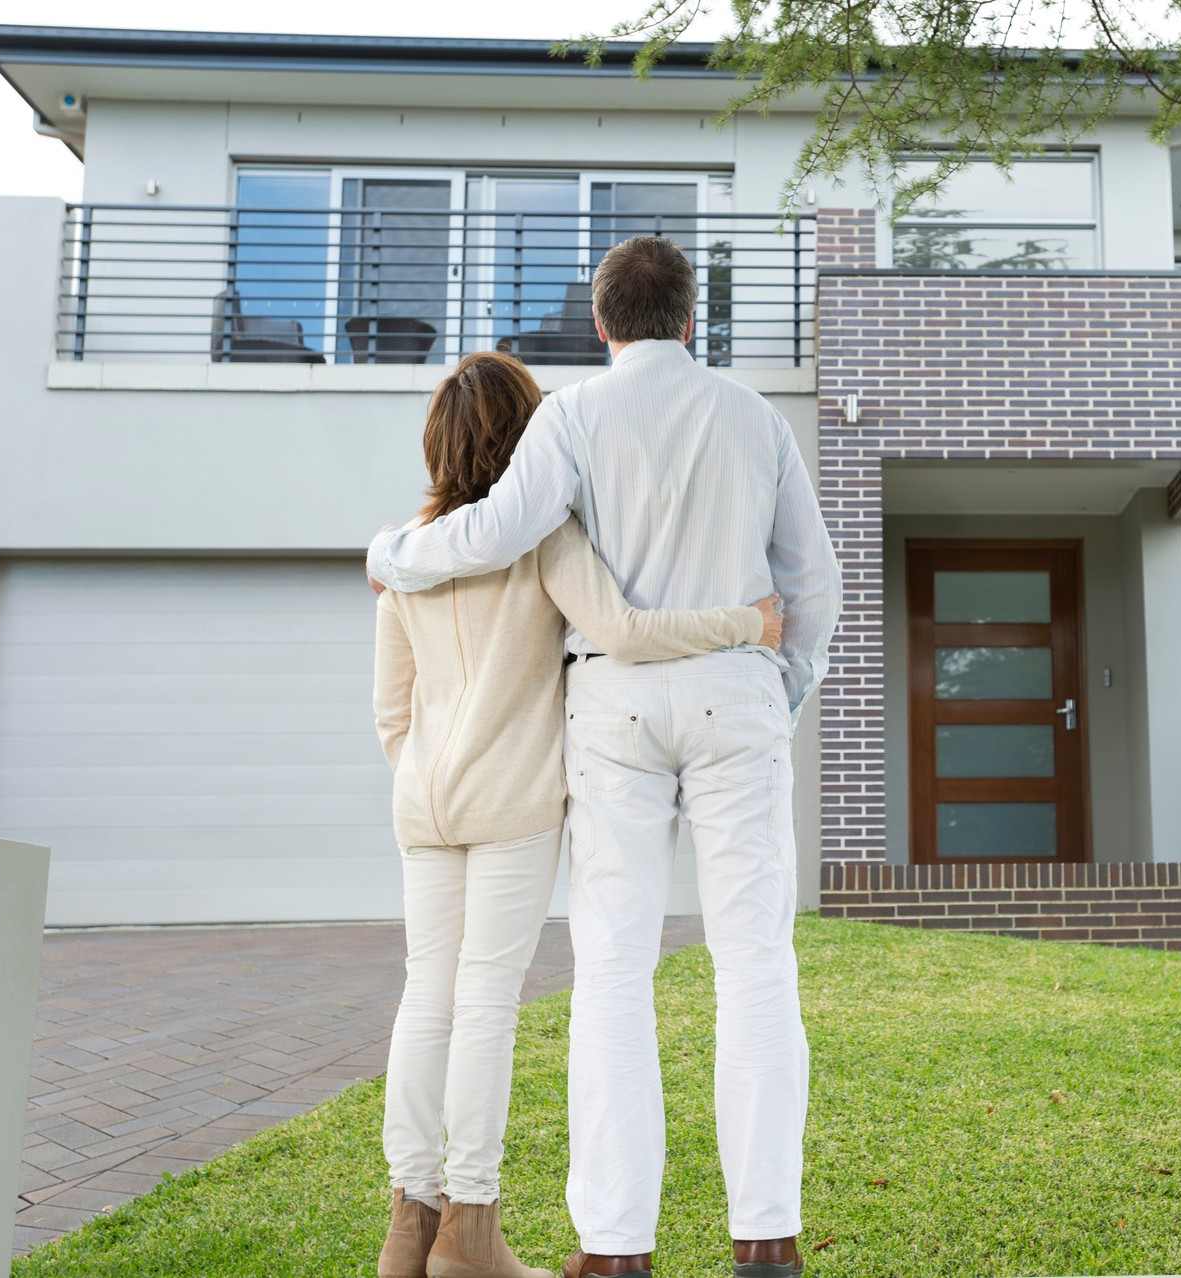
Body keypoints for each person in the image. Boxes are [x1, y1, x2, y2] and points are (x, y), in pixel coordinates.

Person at [369, 235, 841, 1278]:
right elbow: (815, 583)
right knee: (756, 962)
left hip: (616, 711)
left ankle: (615, 1250)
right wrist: (777, 684)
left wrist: (389, 554)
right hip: (735, 692)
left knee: (614, 971)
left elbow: (497, 532)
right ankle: (765, 1239)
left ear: (601, 324)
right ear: (688, 320)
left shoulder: (575, 415)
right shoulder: (755, 417)